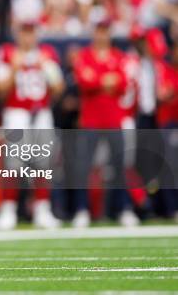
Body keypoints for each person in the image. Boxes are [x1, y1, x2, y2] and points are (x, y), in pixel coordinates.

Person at [0, 20, 64, 230]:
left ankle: (42, 209)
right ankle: (8, 210)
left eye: (31, 32)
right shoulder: (5, 53)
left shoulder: (47, 54)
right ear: (17, 34)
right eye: (24, 32)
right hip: (16, 112)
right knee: (13, 165)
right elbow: (1, 90)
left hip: (41, 112)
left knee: (43, 164)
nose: (28, 37)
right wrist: (14, 69)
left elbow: (59, 89)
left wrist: (48, 69)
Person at [72, 17, 139, 228]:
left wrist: (98, 79)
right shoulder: (85, 56)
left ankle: (123, 208)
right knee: (84, 166)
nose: (102, 35)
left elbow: (122, 83)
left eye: (105, 30)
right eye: (99, 30)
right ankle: (82, 210)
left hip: (113, 119)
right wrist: (105, 80)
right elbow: (85, 82)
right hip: (91, 120)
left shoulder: (119, 57)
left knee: (120, 166)